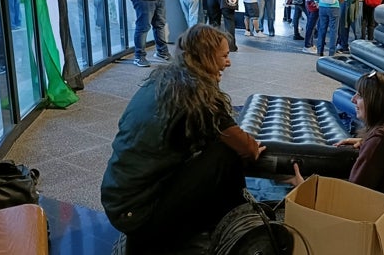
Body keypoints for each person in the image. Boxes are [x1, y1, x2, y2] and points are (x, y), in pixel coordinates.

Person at [101, 25, 264, 254]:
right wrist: (254, 149)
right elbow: (247, 148)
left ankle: (222, 222)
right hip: (138, 213)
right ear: (206, 57)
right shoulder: (198, 96)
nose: (228, 63)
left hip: (118, 200)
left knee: (216, 148)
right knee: (225, 154)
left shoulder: (164, 80)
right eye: (225, 56)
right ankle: (240, 227)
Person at [292, 71, 384, 246]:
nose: (353, 99)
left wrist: (305, 190)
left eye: (361, 96)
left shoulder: (382, 141)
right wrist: (365, 141)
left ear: (377, 102)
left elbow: (353, 198)